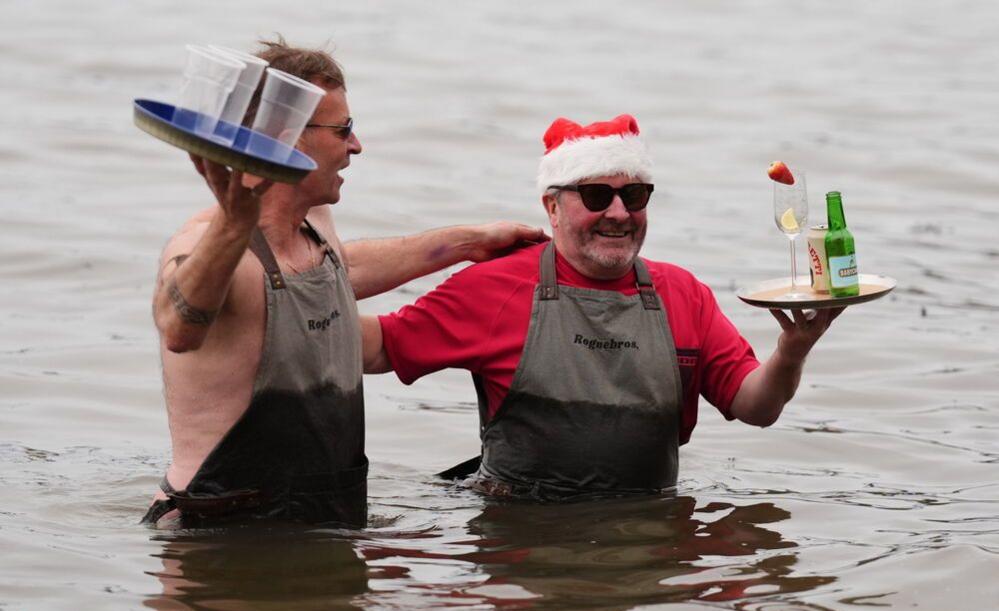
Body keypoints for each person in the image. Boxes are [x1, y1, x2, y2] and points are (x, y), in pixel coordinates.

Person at [143, 38, 545, 527]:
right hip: (219, 532)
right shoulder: (206, 245)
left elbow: (337, 273)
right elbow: (178, 327)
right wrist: (233, 222)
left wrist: (466, 242)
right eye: (344, 129)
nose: (357, 145)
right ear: (286, 136)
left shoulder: (315, 224)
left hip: (325, 519)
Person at [363, 114, 842, 499]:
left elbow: (756, 407)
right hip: (523, 540)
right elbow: (381, 348)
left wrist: (792, 351)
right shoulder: (495, 286)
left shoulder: (683, 294)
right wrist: (299, 304)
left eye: (633, 195)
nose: (618, 212)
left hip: (645, 532)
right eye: (596, 195)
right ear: (552, 207)